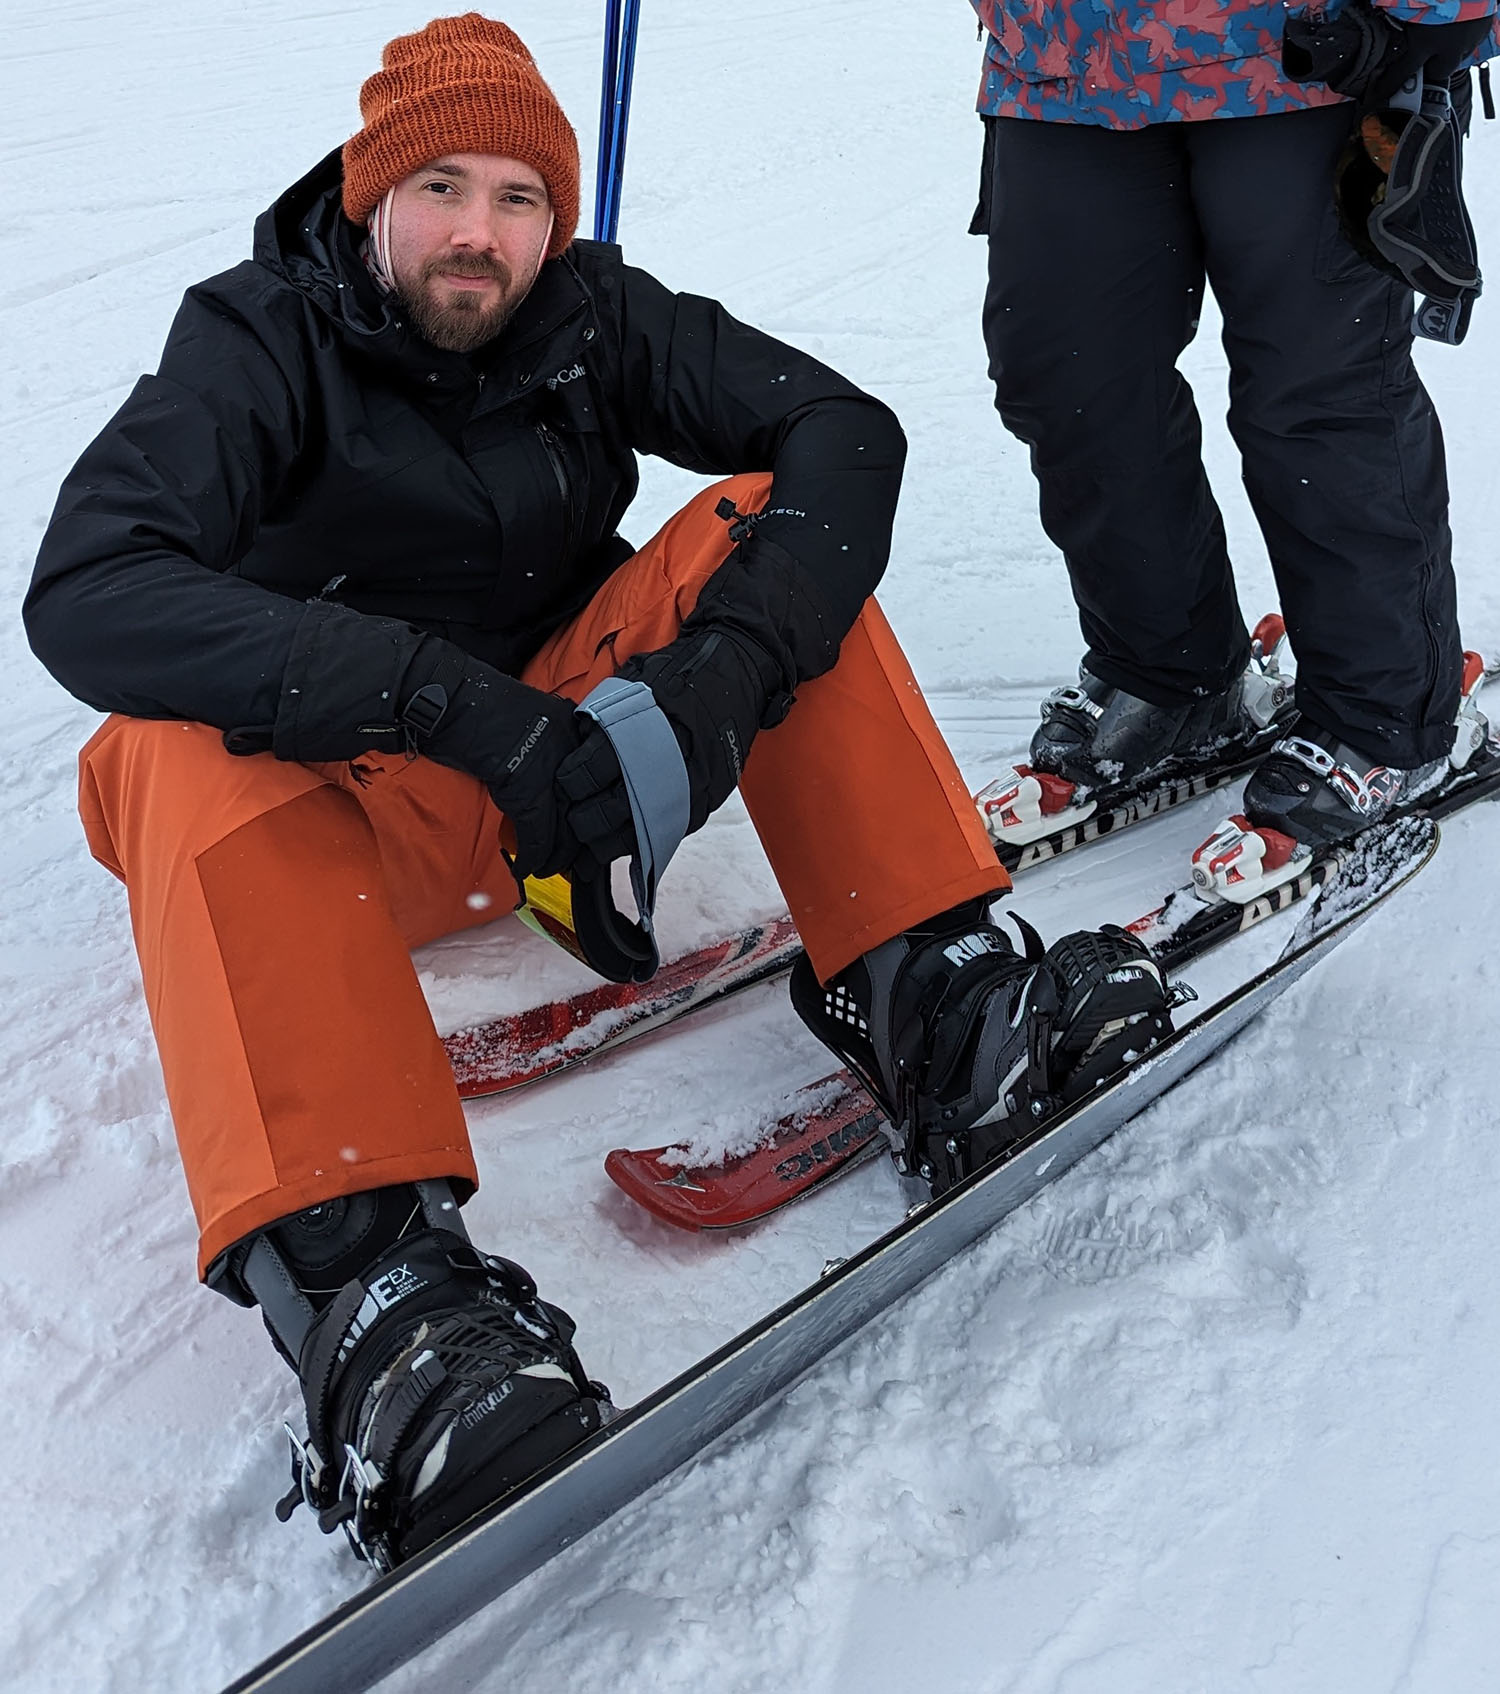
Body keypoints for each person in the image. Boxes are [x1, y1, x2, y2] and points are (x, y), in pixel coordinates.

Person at [24, 14, 1169, 1570]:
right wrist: (445, 702)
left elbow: (845, 431)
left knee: (767, 527)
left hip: (552, 790)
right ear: (370, 197)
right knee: (155, 734)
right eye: (440, 186)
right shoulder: (255, 339)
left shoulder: (587, 314)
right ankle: (375, 1295)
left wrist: (718, 678)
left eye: (517, 195)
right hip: (329, 824)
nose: (479, 234)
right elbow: (87, 588)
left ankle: (939, 994)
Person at [967, 0, 1495, 852]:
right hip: (1059, 61)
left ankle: (1386, 718)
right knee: (1070, 380)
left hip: (1301, 53)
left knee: (1320, 397)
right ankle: (1171, 673)